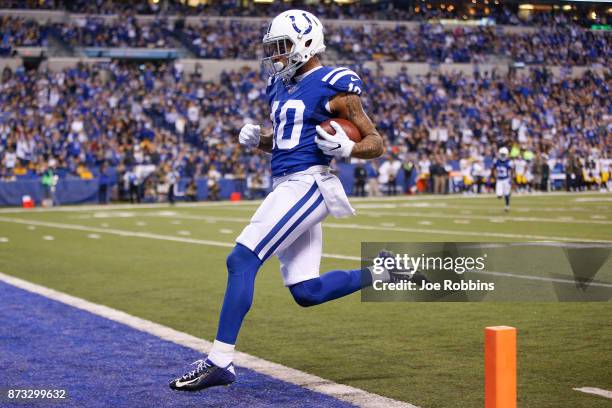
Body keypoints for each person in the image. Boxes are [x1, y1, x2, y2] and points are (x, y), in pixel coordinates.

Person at [169, 10, 386, 392]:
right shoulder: (278, 84)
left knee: (241, 258)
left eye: (282, 46)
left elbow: (376, 142)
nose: (276, 55)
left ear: (306, 42)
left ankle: (220, 361)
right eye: (273, 48)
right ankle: (382, 272)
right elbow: (288, 140)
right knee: (307, 292)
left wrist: (350, 147)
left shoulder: (334, 83)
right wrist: (261, 141)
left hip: (307, 184)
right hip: (285, 183)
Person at [493, 147, 513, 212]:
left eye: (504, 154)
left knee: (506, 194)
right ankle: (503, 195)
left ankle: (507, 205)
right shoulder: (497, 161)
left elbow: (512, 170)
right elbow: (494, 169)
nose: (503, 156)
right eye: (502, 154)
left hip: (506, 179)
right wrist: (495, 174)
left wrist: (511, 178)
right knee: (499, 196)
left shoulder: (509, 162)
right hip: (499, 180)